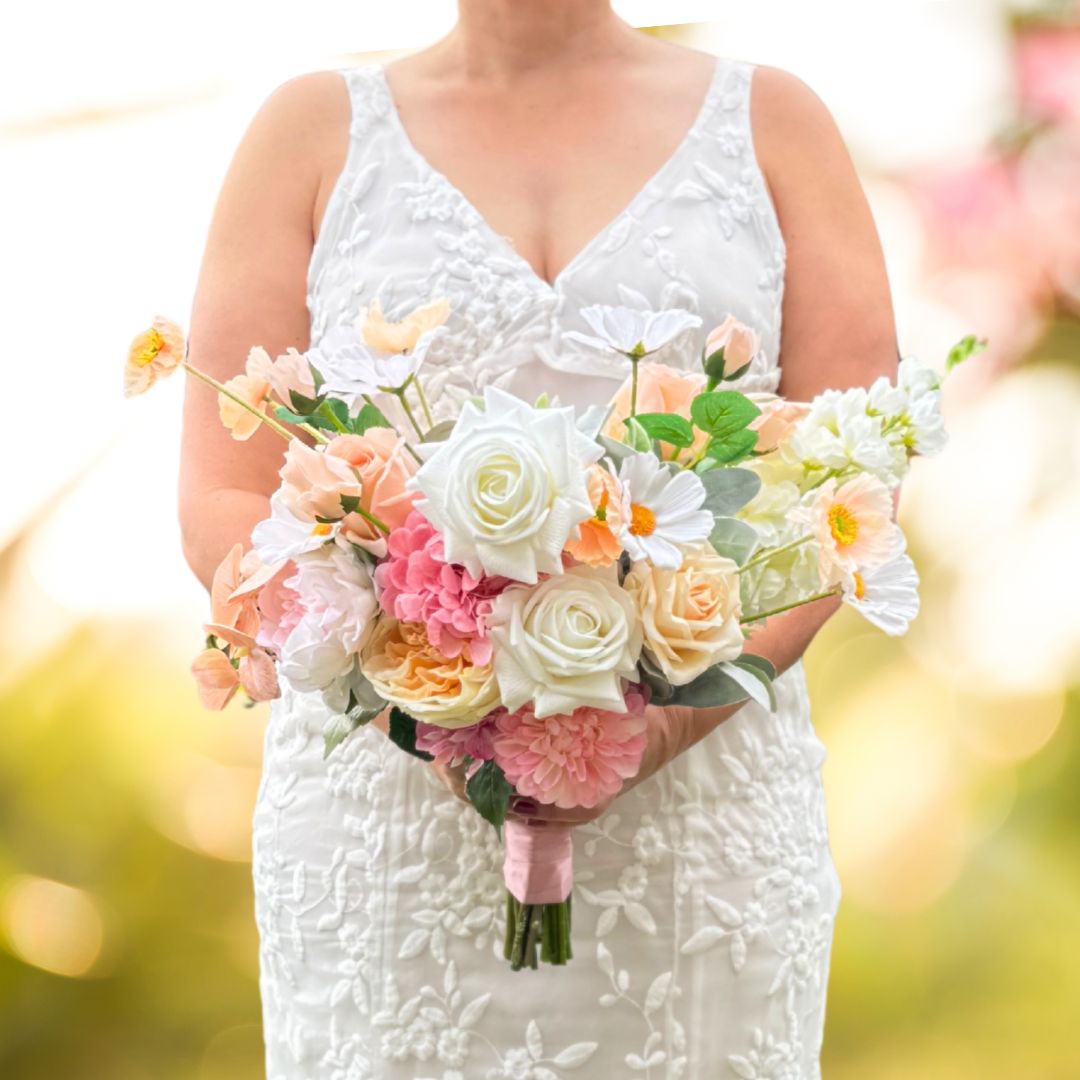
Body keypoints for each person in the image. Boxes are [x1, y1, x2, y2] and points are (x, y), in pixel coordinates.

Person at [179, 2, 898, 1076]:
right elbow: (225, 490)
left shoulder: (774, 123)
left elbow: (851, 472)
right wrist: (427, 696)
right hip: (388, 827)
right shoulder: (309, 131)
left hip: (701, 829)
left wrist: (660, 728)